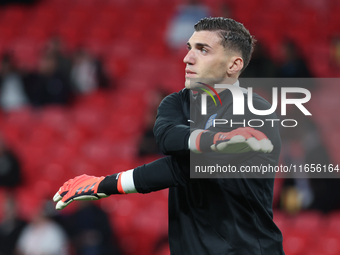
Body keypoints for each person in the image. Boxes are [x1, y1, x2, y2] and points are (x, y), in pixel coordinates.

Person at [53, 17, 284, 254]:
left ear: (233, 65)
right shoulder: (176, 102)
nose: (188, 58)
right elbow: (167, 138)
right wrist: (213, 140)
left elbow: (187, 167)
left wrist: (105, 184)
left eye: (203, 50)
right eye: (189, 48)